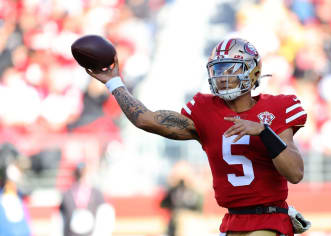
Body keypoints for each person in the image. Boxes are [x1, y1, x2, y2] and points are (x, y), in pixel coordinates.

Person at [86, 38, 310, 236]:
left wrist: (264, 131)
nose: (222, 76)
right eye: (218, 69)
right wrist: (114, 82)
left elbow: (295, 173)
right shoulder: (205, 110)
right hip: (232, 222)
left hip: (269, 220)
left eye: (230, 68)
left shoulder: (277, 108)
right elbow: (146, 119)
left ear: (253, 72)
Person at [58, 162, 115, 236]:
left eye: (84, 173)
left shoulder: (96, 194)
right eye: (80, 174)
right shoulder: (67, 194)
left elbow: (104, 216)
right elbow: (61, 219)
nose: (82, 177)